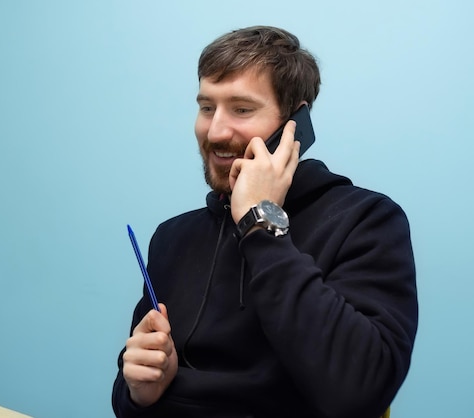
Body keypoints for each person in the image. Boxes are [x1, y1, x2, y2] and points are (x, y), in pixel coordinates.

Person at [112, 25, 418, 418]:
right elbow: (131, 394)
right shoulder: (173, 237)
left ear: (295, 125)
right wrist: (140, 391)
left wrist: (260, 220)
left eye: (241, 109)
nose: (216, 131)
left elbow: (358, 392)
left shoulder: (367, 221)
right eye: (207, 107)